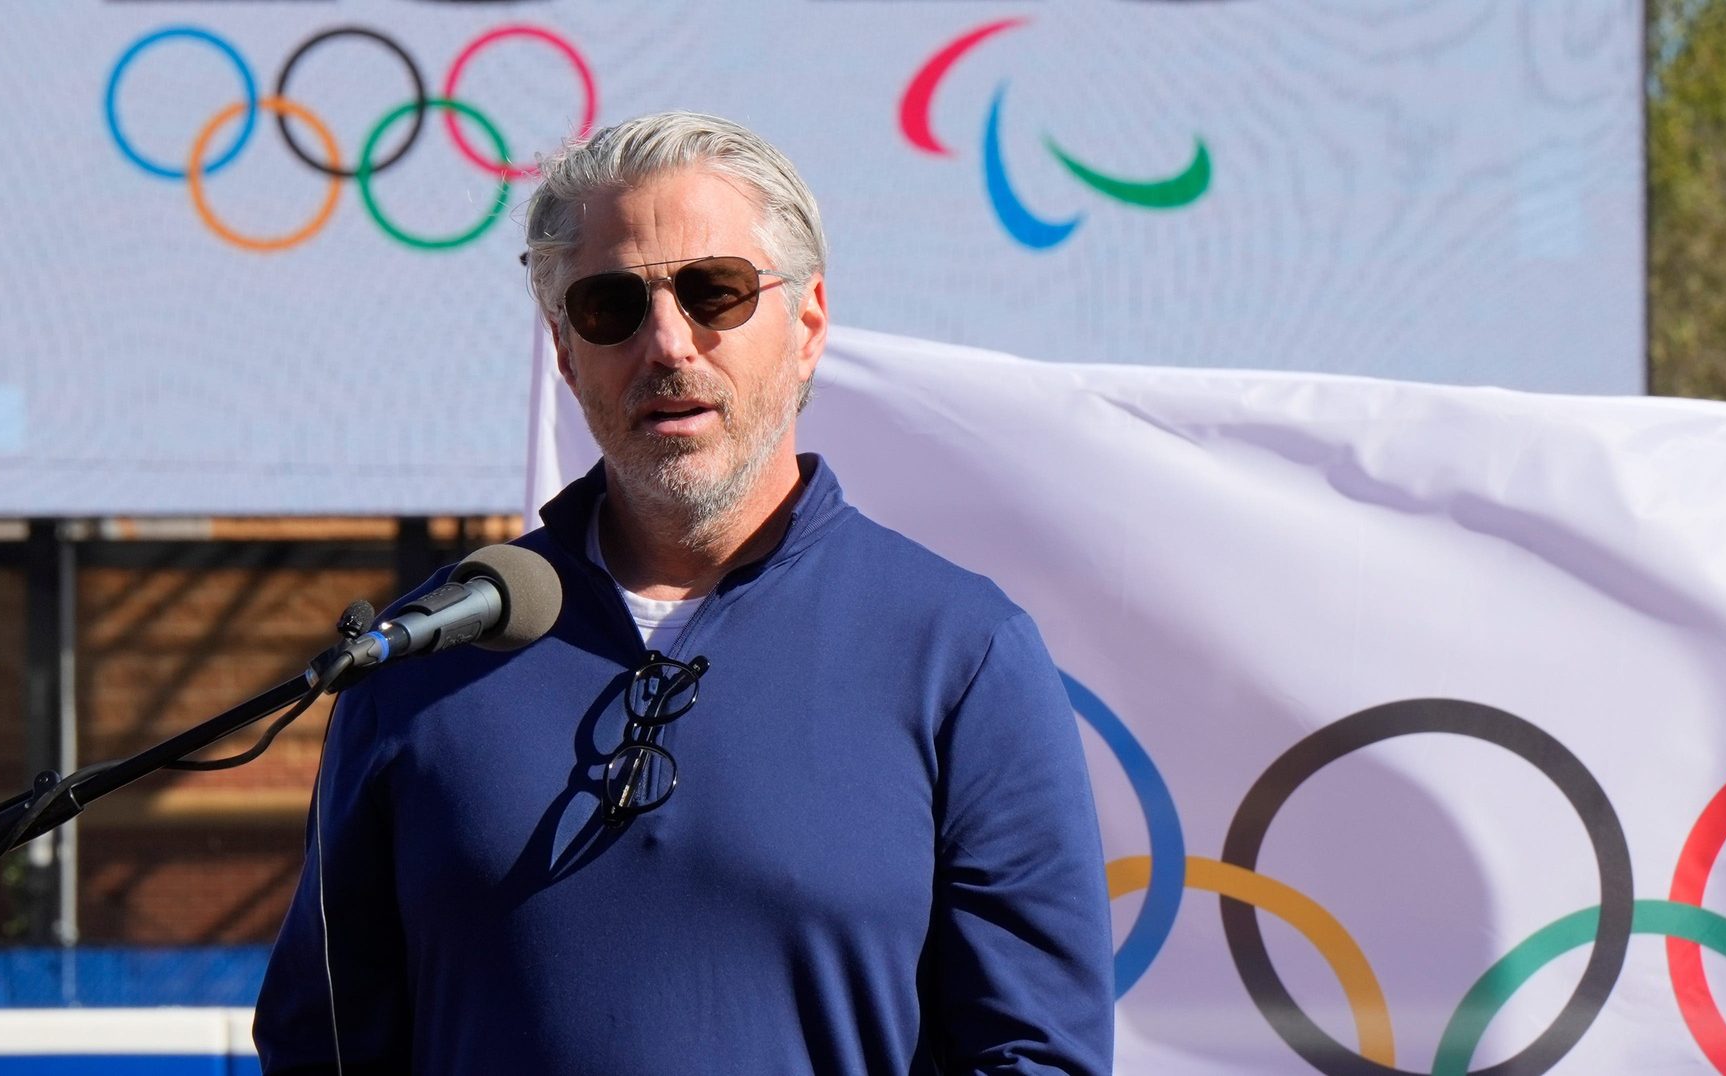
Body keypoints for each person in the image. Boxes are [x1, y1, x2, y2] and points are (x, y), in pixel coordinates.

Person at [255, 111, 1114, 1075]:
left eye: (716, 292)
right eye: (610, 306)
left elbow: (1033, 1054)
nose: (667, 343)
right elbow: (322, 1046)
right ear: (565, 350)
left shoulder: (961, 653)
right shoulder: (424, 657)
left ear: (808, 325)